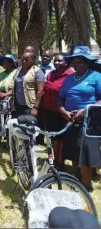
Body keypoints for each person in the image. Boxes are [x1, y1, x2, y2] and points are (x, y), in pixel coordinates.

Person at [58, 46, 101, 192]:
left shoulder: (96, 76)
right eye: (74, 62)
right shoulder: (69, 79)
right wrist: (63, 111)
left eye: (80, 62)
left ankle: (87, 184)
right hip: (70, 119)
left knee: (86, 153)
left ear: (87, 62)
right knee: (73, 151)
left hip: (89, 121)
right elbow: (60, 99)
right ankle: (77, 178)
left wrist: (85, 110)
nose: (77, 65)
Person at [41, 54, 74, 169]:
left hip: (63, 111)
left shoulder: (70, 75)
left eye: (59, 61)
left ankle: (61, 161)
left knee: (62, 138)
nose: (56, 63)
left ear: (67, 63)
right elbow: (47, 88)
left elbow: (62, 91)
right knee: (53, 137)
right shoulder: (51, 74)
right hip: (49, 110)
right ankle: (55, 159)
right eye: (55, 61)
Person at [12, 51, 46, 117]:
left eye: (27, 60)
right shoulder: (18, 70)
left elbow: (40, 91)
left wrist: (35, 107)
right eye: (22, 59)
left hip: (30, 106)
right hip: (18, 105)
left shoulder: (37, 71)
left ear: (33, 60)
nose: (24, 61)